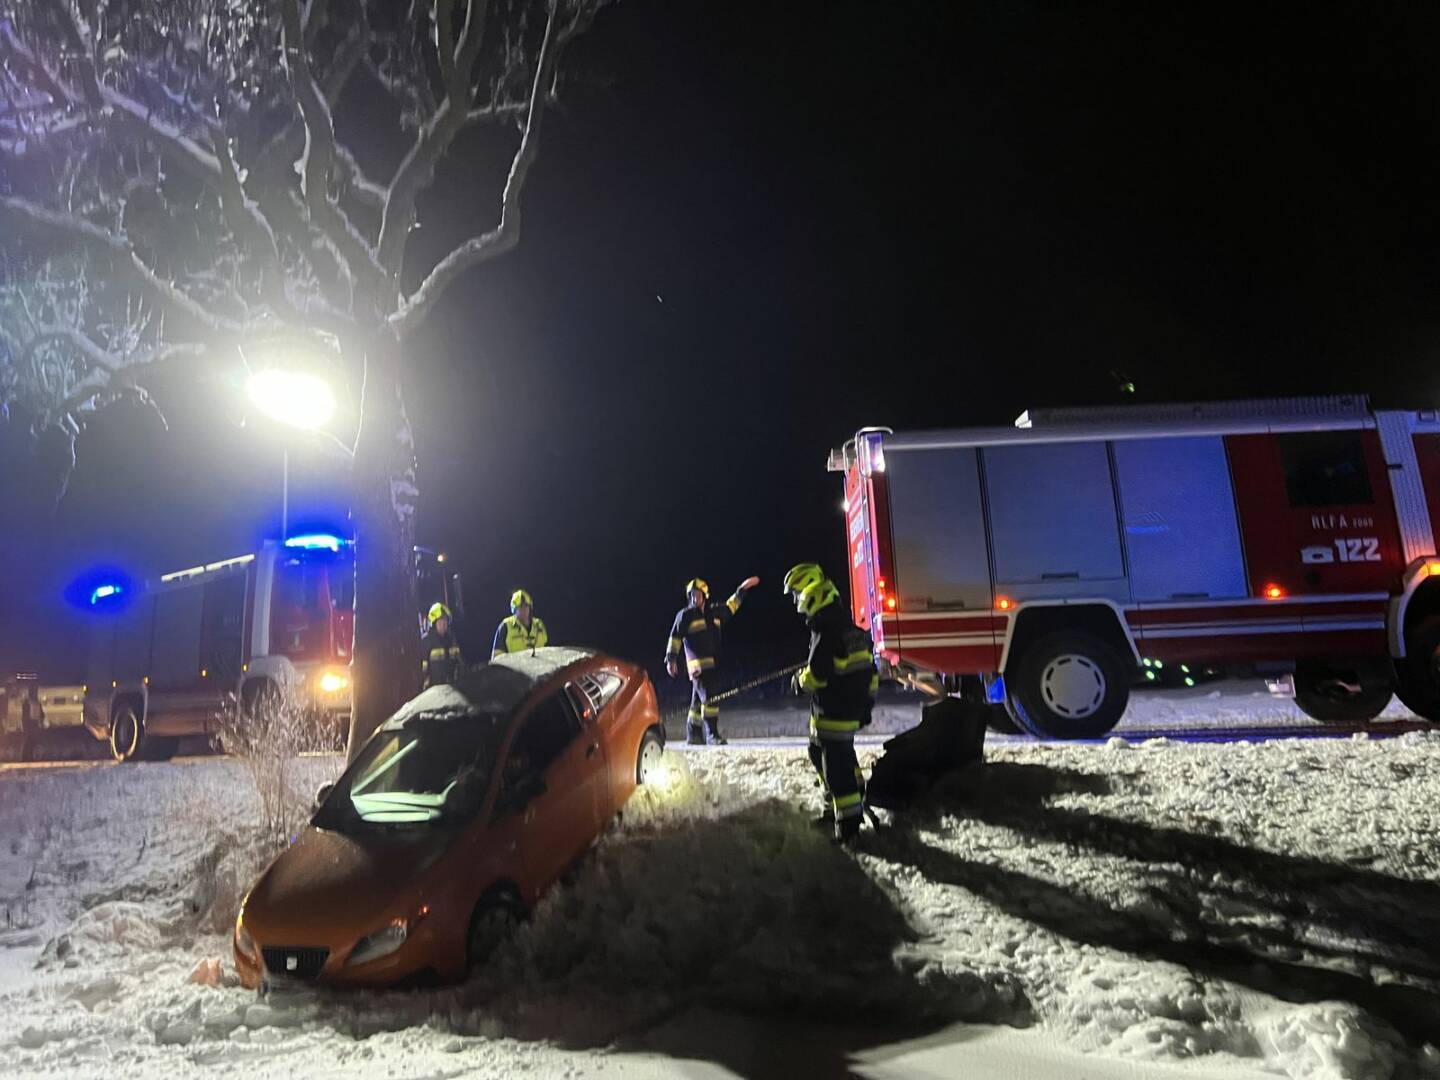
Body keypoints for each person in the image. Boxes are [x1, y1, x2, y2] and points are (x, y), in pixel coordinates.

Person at [786, 568, 878, 844]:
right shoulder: (844, 627)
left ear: (809, 593)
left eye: (795, 595)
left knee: (836, 769)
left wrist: (798, 682)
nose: (795, 602)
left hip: (834, 713)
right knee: (820, 753)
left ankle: (847, 826)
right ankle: (844, 803)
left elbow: (817, 676)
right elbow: (867, 673)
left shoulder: (825, 631)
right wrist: (865, 709)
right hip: (850, 709)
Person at [664, 575, 760, 745]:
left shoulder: (715, 612)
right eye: (692, 595)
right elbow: (675, 637)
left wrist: (743, 588)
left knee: (697, 701)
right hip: (697, 666)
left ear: (705, 595)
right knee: (710, 698)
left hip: (714, 664)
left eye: (697, 594)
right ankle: (712, 734)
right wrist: (671, 660)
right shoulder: (685, 616)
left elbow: (732, 605)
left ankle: (693, 734)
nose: (694, 598)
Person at [492, 589, 549, 658]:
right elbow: (497, 657)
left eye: (526, 606)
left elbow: (550, 650)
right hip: (515, 668)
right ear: (514, 609)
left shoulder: (539, 625)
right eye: (520, 607)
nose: (524, 609)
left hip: (540, 667)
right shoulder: (506, 626)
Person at [421, 603, 464, 688]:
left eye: (445, 621)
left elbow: (459, 661)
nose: (444, 624)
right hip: (435, 689)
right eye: (440, 621)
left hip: (452, 686)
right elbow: (423, 667)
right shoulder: (427, 640)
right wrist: (426, 684)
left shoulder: (451, 639)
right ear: (434, 623)